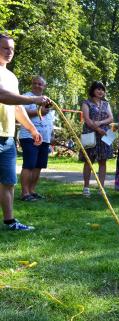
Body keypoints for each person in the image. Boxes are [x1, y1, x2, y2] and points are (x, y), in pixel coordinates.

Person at [0, 34, 50, 231]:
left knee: (8, 181)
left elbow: (17, 107)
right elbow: (2, 96)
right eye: (5, 48)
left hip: (7, 137)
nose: (9, 52)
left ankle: (10, 222)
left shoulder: (11, 77)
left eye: (11, 49)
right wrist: (33, 100)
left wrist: (32, 129)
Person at [18, 76, 54, 201]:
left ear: (45, 86)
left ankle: (32, 191)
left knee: (39, 165)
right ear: (31, 84)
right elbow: (20, 113)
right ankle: (25, 193)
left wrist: (51, 135)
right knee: (29, 165)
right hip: (29, 136)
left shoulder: (47, 100)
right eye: (35, 83)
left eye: (40, 84)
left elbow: (50, 118)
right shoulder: (26, 97)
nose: (37, 86)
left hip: (45, 138)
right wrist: (40, 112)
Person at [80, 81, 114, 197]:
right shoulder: (86, 103)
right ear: (93, 90)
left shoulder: (106, 104)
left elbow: (110, 118)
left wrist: (100, 122)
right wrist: (98, 129)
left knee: (103, 161)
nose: (100, 91)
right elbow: (87, 120)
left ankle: (101, 187)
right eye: (98, 89)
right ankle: (86, 187)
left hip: (105, 134)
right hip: (90, 133)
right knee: (89, 161)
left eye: (102, 89)